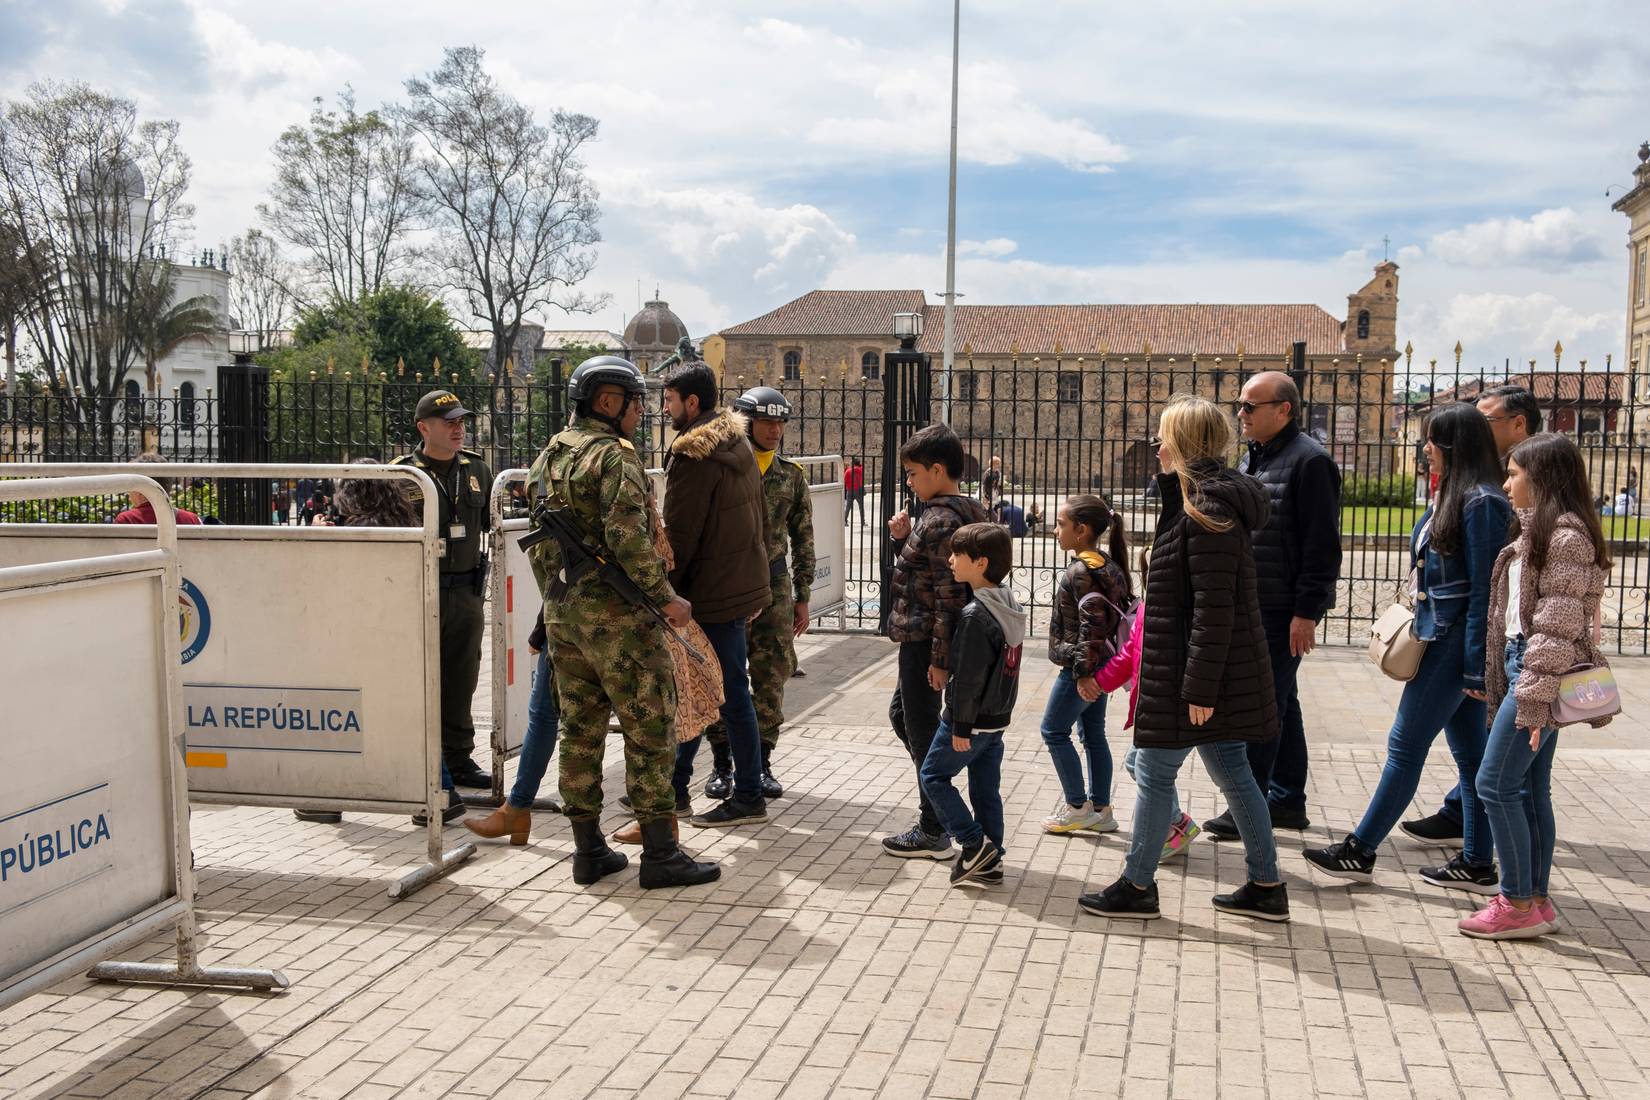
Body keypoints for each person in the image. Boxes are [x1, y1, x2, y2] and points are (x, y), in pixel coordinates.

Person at [1078, 396, 1288, 923]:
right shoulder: (1191, 502)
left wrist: (1198, 688)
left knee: (1153, 774)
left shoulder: (1209, 512)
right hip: (1194, 672)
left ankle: (1137, 885)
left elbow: (1214, 610)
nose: (1156, 446)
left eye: (1164, 436)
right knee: (1235, 776)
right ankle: (1265, 885)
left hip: (1191, 678)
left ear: (1184, 446)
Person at [527, 356, 717, 888]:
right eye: (636, 402)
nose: (643, 412)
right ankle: (660, 855)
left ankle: (589, 852)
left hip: (566, 619)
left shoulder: (549, 457)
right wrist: (665, 598)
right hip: (620, 621)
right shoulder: (614, 458)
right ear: (608, 402)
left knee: (580, 732)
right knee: (650, 729)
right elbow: (630, 540)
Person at [1305, 404, 1511, 893]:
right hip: (1440, 636)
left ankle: (1361, 848)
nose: (1424, 449)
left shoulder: (1482, 502)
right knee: (1471, 760)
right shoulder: (1457, 496)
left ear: (1454, 446)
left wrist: (1477, 667)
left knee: (1405, 746)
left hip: (1453, 643)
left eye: (1431, 441)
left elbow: (1486, 590)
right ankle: (1478, 862)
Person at [1462, 434, 1611, 939]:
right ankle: (1536, 898)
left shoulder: (1564, 539)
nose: (1506, 484)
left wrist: (1531, 703)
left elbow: (1554, 630)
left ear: (1543, 479)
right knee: (1527, 788)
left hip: (1536, 673)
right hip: (1524, 668)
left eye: (1515, 474)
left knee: (1493, 784)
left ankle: (1517, 901)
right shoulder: (1538, 532)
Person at [1403, 385, 1543, 846]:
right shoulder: (1478, 491)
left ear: (1518, 425)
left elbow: (1494, 587)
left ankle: (1520, 886)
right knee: (1486, 765)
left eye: (1488, 421)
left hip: (1525, 652)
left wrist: (1478, 661)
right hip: (1502, 646)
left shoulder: (1498, 496)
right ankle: (1475, 846)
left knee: (1517, 780)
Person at [1204, 372, 1342, 840]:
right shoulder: (1255, 457)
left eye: (1249, 406)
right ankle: (1287, 800)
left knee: (1261, 705)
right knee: (1284, 702)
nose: (1239, 413)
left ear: (1283, 410)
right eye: (1239, 405)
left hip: (1283, 608)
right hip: (1256, 600)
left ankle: (1250, 802)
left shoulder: (1311, 462)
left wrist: (1307, 611)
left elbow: (1322, 546)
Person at [661, 362, 774, 828]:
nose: (664, 409)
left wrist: (666, 591)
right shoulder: (738, 442)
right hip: (738, 583)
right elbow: (760, 517)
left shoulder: (693, 454)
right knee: (705, 688)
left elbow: (680, 537)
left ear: (692, 403)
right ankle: (676, 788)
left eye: (669, 400)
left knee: (725, 694)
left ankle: (747, 794)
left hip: (708, 592)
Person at [882, 424, 992, 859]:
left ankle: (935, 825)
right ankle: (938, 799)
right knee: (903, 716)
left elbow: (949, 597)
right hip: (924, 635)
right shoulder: (964, 509)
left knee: (922, 727)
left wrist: (940, 659)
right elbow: (924, 576)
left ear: (937, 469)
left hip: (927, 639)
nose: (908, 481)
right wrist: (899, 540)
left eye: (912, 473)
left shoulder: (944, 519)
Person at [702, 387, 815, 802]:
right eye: (767, 421)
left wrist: (803, 596)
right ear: (746, 423)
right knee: (722, 676)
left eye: (781, 422)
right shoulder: (723, 468)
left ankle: (762, 762)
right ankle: (721, 764)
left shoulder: (792, 476)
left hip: (773, 585)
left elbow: (804, 539)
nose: (775, 430)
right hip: (729, 586)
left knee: (771, 676)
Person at [391, 391, 494, 790]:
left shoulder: (477, 470)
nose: (458, 429)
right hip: (421, 592)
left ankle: (458, 758)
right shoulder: (403, 473)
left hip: (466, 591)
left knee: (462, 678)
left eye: (461, 422)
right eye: (449, 422)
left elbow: (492, 524)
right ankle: (419, 759)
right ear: (423, 428)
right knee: (418, 679)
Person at [918, 523, 1026, 887]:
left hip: (970, 721)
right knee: (984, 789)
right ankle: (991, 861)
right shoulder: (1006, 603)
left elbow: (967, 680)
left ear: (980, 563)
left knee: (933, 775)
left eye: (957, 555)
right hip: (995, 720)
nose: (950, 560)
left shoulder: (975, 615)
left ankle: (973, 843)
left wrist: (960, 726)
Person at [1089, 546, 1202, 863]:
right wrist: (1101, 682)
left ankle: (1172, 827)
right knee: (1141, 765)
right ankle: (1175, 823)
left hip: (1171, 707)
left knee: (1147, 768)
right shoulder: (1148, 610)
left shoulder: (1178, 611)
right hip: (1154, 705)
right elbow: (1128, 657)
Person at [1039, 495, 1131, 835]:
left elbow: (1091, 628)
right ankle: (1101, 808)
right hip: (1099, 665)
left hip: (1083, 667)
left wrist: (1083, 674)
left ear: (1081, 530)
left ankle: (1078, 806)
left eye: (1061, 525)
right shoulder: (1105, 563)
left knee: (1053, 730)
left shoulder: (1081, 571)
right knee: (1092, 734)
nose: (1055, 531)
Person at [114, 452, 203, 525]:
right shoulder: (192, 520)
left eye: (131, 485)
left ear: (140, 488)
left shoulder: (126, 520)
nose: (129, 492)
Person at [844, 457, 867, 524]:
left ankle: (845, 520)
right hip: (858, 490)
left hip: (850, 490)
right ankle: (862, 521)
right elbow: (861, 468)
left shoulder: (848, 471)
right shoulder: (860, 470)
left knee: (848, 506)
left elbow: (845, 481)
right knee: (861, 507)